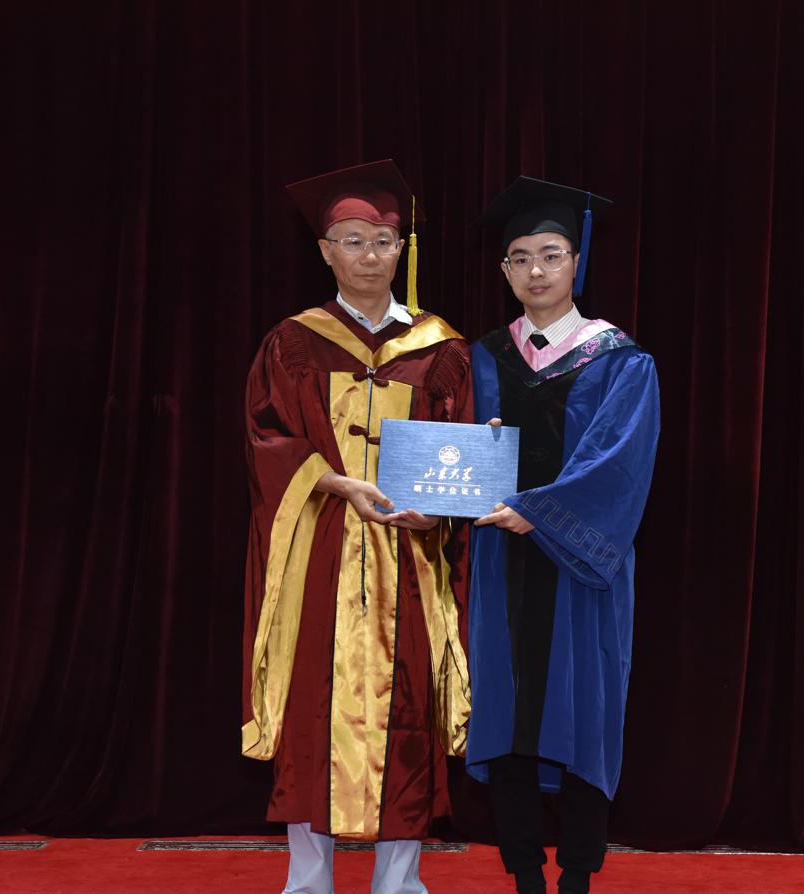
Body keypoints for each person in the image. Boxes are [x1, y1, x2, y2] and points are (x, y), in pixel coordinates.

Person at [241, 160, 473, 894]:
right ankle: (307, 881)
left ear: (401, 250)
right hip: (322, 549)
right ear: (325, 251)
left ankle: (398, 883)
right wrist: (337, 482)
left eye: (382, 241)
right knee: (311, 710)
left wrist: (441, 505)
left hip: (409, 552)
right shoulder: (293, 343)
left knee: (408, 712)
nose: (369, 255)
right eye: (352, 240)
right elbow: (266, 437)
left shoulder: (440, 348)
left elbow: (461, 449)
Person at [466, 177, 661, 894]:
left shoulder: (619, 360)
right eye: (519, 258)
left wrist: (540, 513)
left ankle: (577, 874)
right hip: (500, 561)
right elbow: (452, 456)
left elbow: (620, 464)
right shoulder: (483, 357)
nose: (536, 271)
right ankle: (523, 872)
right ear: (504, 270)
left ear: (576, 261)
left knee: (584, 711)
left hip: (581, 564)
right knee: (506, 709)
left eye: (551, 254)